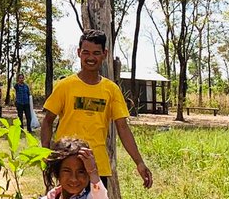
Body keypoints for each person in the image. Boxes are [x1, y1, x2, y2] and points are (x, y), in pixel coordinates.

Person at [41, 29, 153, 190]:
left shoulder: (111, 90)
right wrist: (46, 153)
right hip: (67, 166)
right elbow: (47, 121)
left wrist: (139, 162)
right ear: (79, 53)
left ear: (104, 54)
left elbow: (122, 127)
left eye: (96, 53)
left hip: (97, 167)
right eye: (86, 52)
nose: (91, 58)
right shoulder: (64, 86)